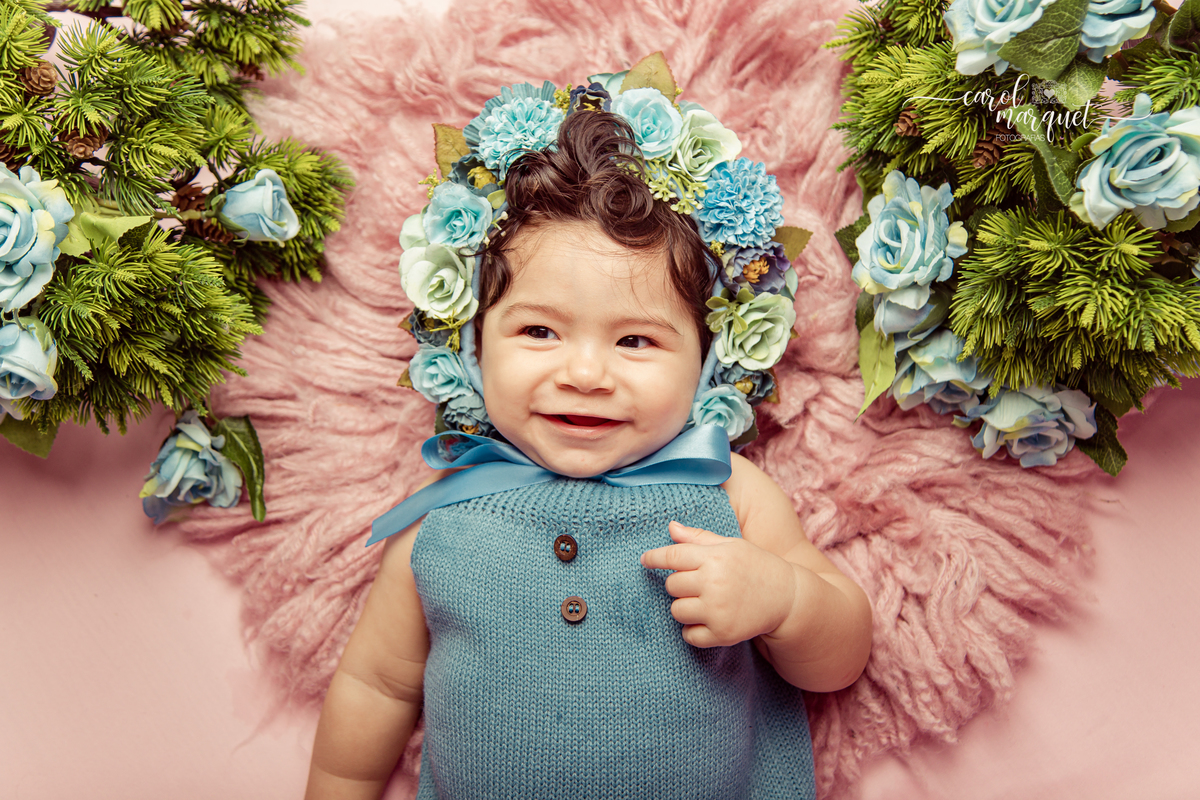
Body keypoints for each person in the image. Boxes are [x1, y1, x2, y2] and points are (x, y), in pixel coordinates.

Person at [305, 70, 872, 800]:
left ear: (707, 362)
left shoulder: (726, 493)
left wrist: (786, 601)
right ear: (475, 347)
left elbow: (841, 659)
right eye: (538, 331)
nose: (584, 372)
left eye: (635, 341)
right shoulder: (443, 518)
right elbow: (377, 685)